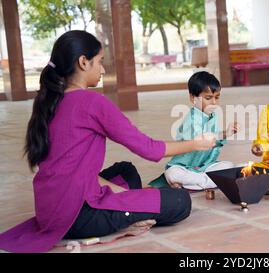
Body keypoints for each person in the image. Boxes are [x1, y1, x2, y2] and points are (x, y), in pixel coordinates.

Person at [0, 30, 216, 253]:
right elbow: (149, 149)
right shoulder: (92, 102)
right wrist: (196, 143)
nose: (103, 69)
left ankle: (128, 209)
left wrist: (129, 195)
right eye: (100, 62)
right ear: (84, 62)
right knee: (179, 201)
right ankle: (123, 220)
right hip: (75, 215)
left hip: (51, 210)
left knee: (126, 171)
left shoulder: (51, 100)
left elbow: (77, 171)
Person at [164, 71, 239, 190]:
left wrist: (226, 133)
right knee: (172, 173)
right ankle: (206, 181)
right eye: (208, 98)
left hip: (204, 166)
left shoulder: (213, 116)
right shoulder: (191, 119)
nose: (214, 102)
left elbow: (214, 141)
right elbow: (201, 140)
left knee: (228, 166)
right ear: (193, 98)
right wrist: (222, 134)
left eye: (217, 97)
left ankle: (193, 183)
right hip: (184, 167)